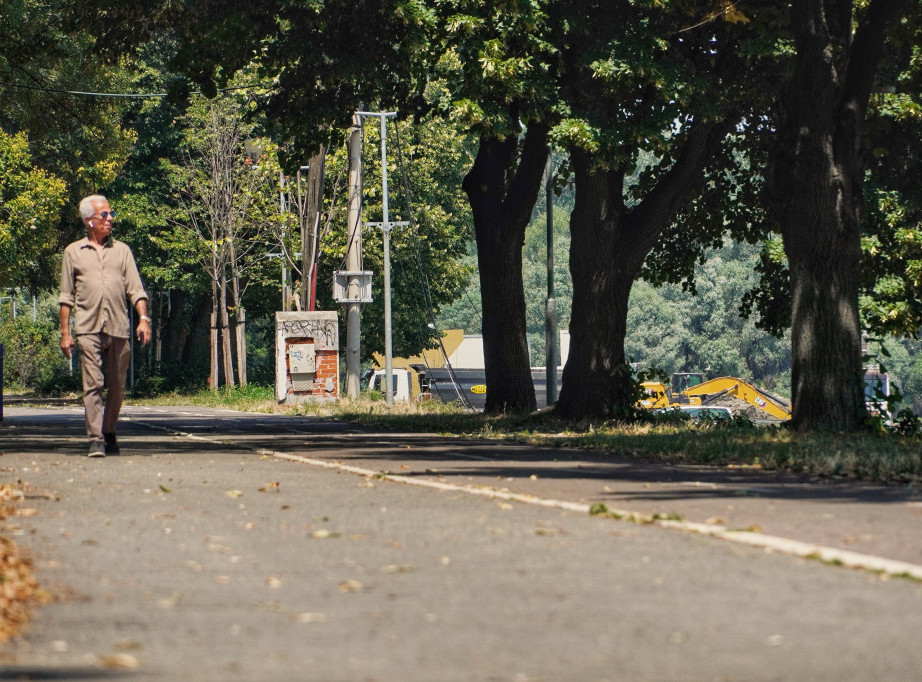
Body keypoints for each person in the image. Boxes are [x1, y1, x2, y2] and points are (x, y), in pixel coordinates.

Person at [59, 195, 151, 457]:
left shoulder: (122, 251)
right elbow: (66, 297)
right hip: (87, 328)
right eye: (104, 215)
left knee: (118, 385)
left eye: (111, 214)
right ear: (90, 221)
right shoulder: (73, 253)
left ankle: (109, 430)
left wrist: (143, 320)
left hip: (119, 327)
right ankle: (96, 439)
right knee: (93, 384)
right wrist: (66, 333)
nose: (110, 219)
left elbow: (136, 289)